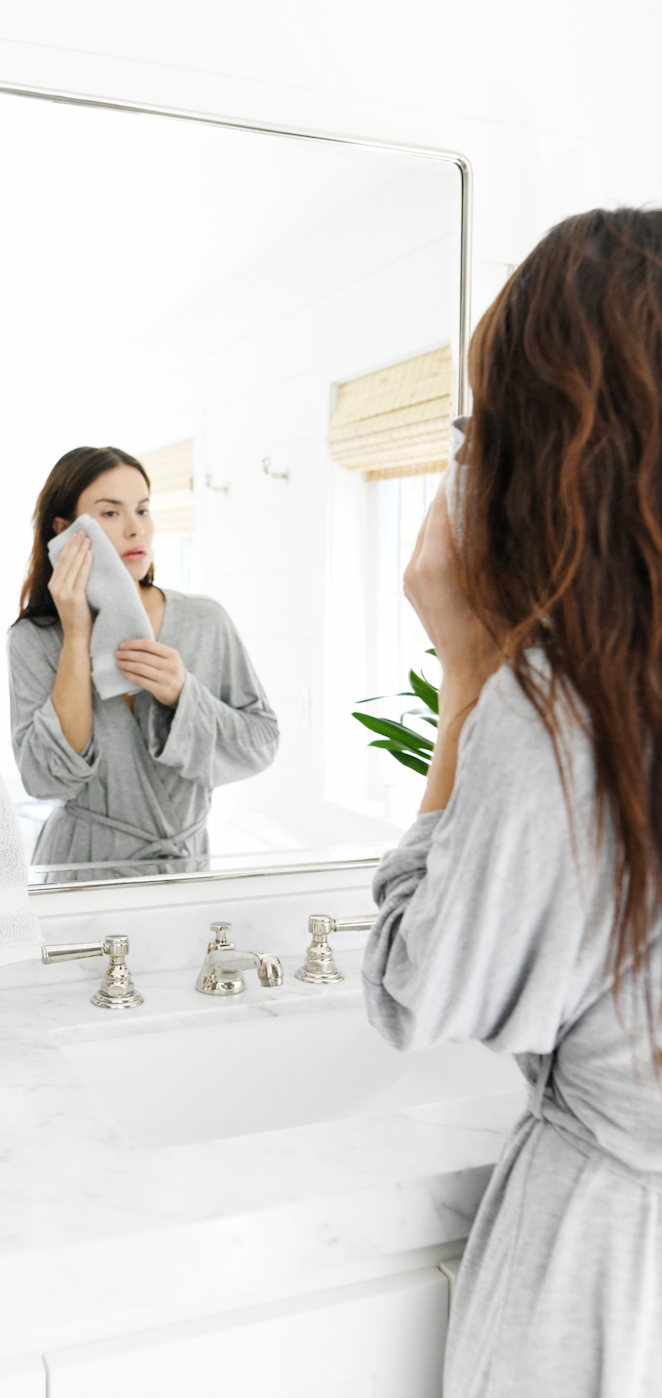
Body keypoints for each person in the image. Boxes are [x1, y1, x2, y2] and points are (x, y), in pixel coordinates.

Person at [363, 208, 662, 1397]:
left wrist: (468, 669)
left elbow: (418, 990)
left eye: (479, 420)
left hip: (613, 1278)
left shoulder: (566, 703)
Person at [8, 445, 278, 870]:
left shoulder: (205, 620)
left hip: (184, 869)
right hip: (82, 867)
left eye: (144, 510)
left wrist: (184, 695)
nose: (136, 529)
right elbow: (45, 779)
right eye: (111, 513)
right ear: (65, 530)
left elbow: (260, 744)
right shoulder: (33, 640)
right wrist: (77, 634)